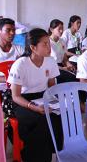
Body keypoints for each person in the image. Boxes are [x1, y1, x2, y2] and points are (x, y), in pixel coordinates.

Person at [7, 28, 63, 162]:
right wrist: (33, 106)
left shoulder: (50, 61)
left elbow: (51, 87)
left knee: (58, 115)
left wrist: (58, 102)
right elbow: (15, 96)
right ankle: (35, 157)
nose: (49, 47)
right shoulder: (20, 64)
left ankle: (54, 153)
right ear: (33, 47)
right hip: (22, 101)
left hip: (43, 97)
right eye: (45, 44)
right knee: (41, 120)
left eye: (49, 43)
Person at [0, 18, 24, 98]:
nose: (12, 33)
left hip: (16, 85)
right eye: (8, 30)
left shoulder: (19, 49)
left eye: (13, 30)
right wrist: (8, 78)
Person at [48, 19, 77, 84]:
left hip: (62, 66)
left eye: (62, 29)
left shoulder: (61, 41)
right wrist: (63, 68)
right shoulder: (48, 42)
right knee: (72, 79)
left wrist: (68, 64)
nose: (61, 31)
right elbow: (47, 63)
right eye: (59, 29)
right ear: (51, 30)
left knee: (77, 74)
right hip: (53, 68)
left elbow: (64, 57)